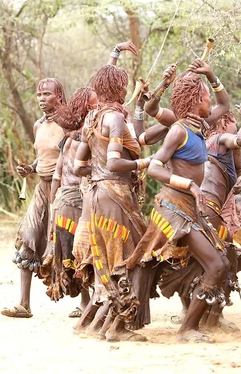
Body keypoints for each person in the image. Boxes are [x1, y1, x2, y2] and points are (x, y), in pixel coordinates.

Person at [128, 58, 241, 343]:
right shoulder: (179, 129)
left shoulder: (201, 125)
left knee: (215, 262)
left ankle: (194, 323)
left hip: (189, 208)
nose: (212, 103)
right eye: (206, 96)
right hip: (174, 208)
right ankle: (187, 329)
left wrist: (211, 75)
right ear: (197, 100)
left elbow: (224, 105)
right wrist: (188, 183)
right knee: (217, 265)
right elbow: (156, 166)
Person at [72, 62, 153, 342]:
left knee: (108, 260)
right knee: (130, 259)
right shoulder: (114, 120)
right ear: (119, 87)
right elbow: (115, 162)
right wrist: (147, 162)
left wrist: (97, 174)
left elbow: (77, 165)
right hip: (113, 197)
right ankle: (118, 329)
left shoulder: (91, 119)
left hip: (95, 197)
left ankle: (96, 325)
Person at [1, 78, 66, 319]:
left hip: (63, 190)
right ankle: (24, 304)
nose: (41, 99)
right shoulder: (39, 125)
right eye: (38, 95)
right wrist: (30, 168)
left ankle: (85, 302)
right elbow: (43, 157)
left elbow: (70, 156)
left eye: (47, 94)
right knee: (28, 237)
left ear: (59, 96)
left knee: (66, 240)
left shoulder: (67, 124)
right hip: (42, 188)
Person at [42, 86, 98, 318]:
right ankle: (88, 304)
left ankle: (86, 304)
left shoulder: (68, 139)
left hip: (63, 201)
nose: (97, 106)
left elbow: (57, 175)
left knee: (76, 253)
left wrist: (54, 205)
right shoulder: (83, 138)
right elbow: (74, 171)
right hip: (76, 201)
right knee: (85, 252)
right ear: (86, 110)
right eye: (93, 104)